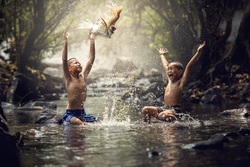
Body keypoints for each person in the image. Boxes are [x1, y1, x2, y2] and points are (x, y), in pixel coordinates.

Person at [141, 41, 206, 123]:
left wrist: (198, 52)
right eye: (168, 70)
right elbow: (165, 65)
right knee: (145, 110)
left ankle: (177, 121)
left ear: (179, 71)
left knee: (162, 115)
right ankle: (148, 126)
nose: (169, 71)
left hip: (175, 110)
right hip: (165, 108)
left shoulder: (180, 82)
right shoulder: (169, 80)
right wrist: (162, 55)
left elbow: (189, 66)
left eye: (172, 69)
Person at [62, 29, 99, 125]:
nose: (79, 64)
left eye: (79, 62)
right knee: (80, 124)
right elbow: (64, 59)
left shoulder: (83, 76)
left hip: (82, 113)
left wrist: (92, 39)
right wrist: (65, 41)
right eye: (75, 63)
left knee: (100, 122)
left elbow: (91, 58)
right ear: (69, 68)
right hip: (71, 114)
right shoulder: (69, 78)